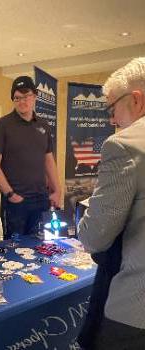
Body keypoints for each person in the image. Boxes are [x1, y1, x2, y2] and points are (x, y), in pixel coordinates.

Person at [78, 57, 145, 349]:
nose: (112, 119)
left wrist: (88, 211)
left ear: (137, 100)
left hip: (135, 309)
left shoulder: (123, 145)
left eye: (112, 107)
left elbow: (95, 236)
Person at [0, 76, 61, 239]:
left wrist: (57, 190)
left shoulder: (44, 126)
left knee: (42, 246)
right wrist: (10, 194)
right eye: (17, 98)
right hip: (15, 202)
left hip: (41, 198)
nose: (22, 101)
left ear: (34, 96)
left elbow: (48, 160)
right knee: (14, 250)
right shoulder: (2, 126)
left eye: (26, 96)